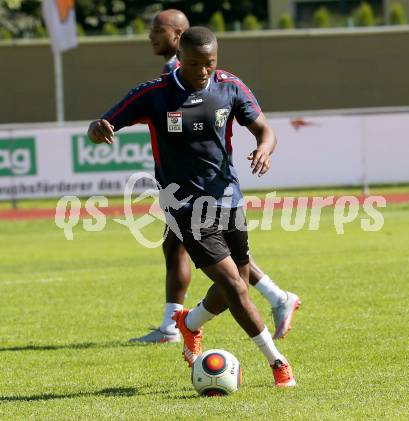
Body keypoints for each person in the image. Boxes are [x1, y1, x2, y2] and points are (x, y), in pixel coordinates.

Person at [88, 26, 297, 387]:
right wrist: (97, 127)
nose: (204, 71)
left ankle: (189, 322)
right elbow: (104, 122)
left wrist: (264, 147)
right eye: (196, 63)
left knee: (241, 279)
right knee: (235, 285)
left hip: (229, 198)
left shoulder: (230, 86)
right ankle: (278, 364)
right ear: (180, 59)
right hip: (184, 206)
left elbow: (265, 129)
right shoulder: (154, 94)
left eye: (210, 63)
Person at [130, 9, 301, 344]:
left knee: (219, 260)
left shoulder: (180, 72)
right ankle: (176, 322)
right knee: (179, 248)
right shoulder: (179, 72)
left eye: (157, 29)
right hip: (187, 188)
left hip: (198, 188)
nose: (151, 35)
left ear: (177, 37)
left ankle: (272, 297)